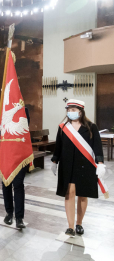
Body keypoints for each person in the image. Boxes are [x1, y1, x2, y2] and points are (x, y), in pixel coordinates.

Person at [51, 99, 105, 237]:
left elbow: (97, 146)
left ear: (80, 111)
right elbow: (58, 146)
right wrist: (54, 161)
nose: (70, 112)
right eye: (69, 110)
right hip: (68, 165)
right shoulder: (63, 127)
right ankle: (70, 226)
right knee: (69, 193)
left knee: (82, 194)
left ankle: (79, 223)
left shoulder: (91, 127)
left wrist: (100, 163)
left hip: (85, 166)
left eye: (73, 110)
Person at [0, 105, 30, 229]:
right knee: (6, 183)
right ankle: (9, 213)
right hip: (5, 154)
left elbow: (25, 128)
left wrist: (6, 126)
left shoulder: (24, 110)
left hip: (19, 154)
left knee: (18, 184)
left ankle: (19, 218)